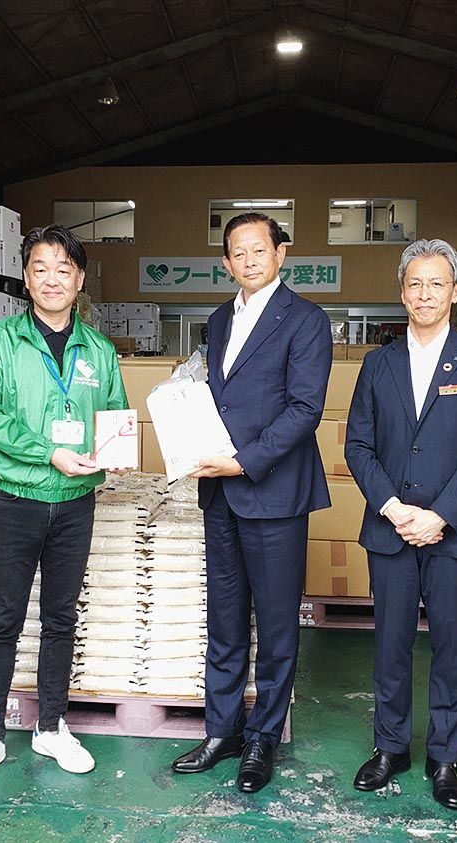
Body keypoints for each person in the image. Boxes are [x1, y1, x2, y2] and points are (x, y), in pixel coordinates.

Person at [0, 224, 128, 793]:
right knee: (3, 619)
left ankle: (51, 726)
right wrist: (48, 452)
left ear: (80, 280)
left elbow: (114, 413)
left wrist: (115, 454)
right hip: (16, 499)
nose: (52, 279)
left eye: (63, 269)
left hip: (76, 503)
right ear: (26, 279)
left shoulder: (99, 349)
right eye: (40, 268)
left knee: (60, 618)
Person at [170, 213, 333, 793]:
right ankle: (222, 731)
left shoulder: (306, 320)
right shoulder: (218, 320)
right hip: (220, 495)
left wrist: (241, 461)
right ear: (226, 263)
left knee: (278, 624)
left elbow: (305, 409)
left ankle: (263, 737)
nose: (249, 260)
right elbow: (215, 397)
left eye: (259, 250)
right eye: (237, 253)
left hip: (273, 491)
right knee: (225, 618)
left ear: (280, 254)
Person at [344, 239, 457, 810]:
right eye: (415, 283)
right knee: (389, 644)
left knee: (450, 649)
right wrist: (393, 508)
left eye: (437, 283)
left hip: (453, 531)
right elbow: (358, 445)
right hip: (390, 528)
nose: (425, 294)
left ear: (455, 292)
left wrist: (439, 515)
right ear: (402, 292)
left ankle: (444, 757)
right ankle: (390, 747)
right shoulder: (378, 363)